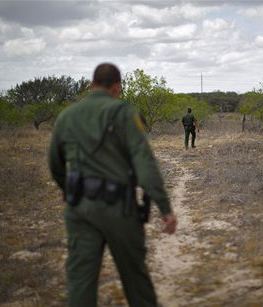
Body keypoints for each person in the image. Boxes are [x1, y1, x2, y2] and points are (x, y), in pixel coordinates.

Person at [48, 63, 177, 307]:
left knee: (80, 283)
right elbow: (145, 165)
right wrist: (165, 208)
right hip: (120, 208)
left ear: (90, 85)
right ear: (117, 87)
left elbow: (54, 165)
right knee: (136, 281)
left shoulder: (67, 117)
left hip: (80, 210)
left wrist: (70, 193)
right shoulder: (125, 113)